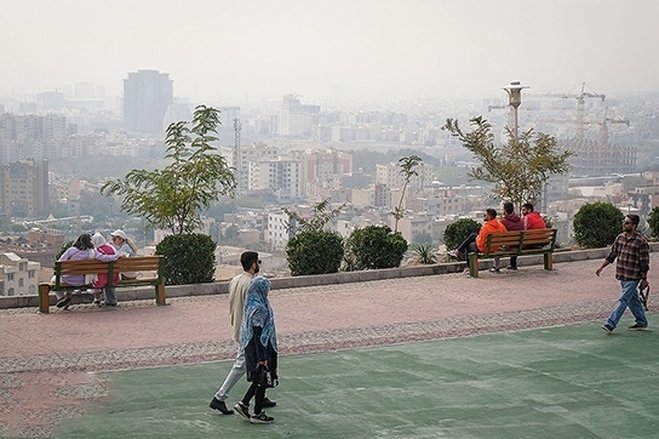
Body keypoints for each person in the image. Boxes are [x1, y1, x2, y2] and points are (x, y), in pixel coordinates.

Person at [209, 252, 276, 415]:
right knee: (245, 364)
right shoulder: (251, 285)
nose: (259, 264)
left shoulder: (236, 280)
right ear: (253, 264)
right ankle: (220, 397)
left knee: (254, 365)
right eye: (258, 262)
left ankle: (261, 394)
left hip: (240, 327)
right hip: (249, 332)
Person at [233, 276, 278, 424]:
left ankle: (245, 404)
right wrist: (262, 357)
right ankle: (256, 412)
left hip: (256, 348)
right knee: (262, 379)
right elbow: (258, 333)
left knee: (260, 379)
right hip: (260, 348)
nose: (267, 291)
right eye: (266, 288)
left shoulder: (253, 303)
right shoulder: (258, 308)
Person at [596, 214, 650, 333]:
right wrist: (601, 267)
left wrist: (644, 279)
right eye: (624, 222)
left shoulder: (641, 242)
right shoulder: (620, 238)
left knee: (624, 300)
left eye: (627, 223)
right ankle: (641, 322)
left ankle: (611, 323)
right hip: (622, 275)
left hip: (633, 277)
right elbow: (612, 255)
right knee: (633, 300)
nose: (624, 225)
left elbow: (644, 263)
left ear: (634, 226)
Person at [55, 233, 123, 309]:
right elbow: (105, 258)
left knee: (54, 281)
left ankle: (62, 298)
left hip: (68, 279)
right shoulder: (92, 252)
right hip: (83, 280)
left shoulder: (71, 250)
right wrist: (117, 256)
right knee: (71, 279)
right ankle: (67, 296)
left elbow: (59, 262)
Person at [506, 202, 547, 271]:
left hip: (532, 242)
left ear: (529, 210)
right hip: (542, 242)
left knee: (516, 244)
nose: (522, 212)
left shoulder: (527, 217)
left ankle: (513, 264)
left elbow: (523, 229)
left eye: (524, 210)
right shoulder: (538, 216)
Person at [491, 202, 525, 272]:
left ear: (505, 210)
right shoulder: (520, 220)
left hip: (509, 245)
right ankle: (513, 264)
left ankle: (495, 266)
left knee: (497, 246)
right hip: (519, 245)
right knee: (513, 242)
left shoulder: (504, 221)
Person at [90, 233, 121, 306]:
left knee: (97, 275)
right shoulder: (112, 248)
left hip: (102, 279)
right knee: (108, 274)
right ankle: (111, 300)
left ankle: (97, 299)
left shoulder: (96, 251)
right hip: (114, 276)